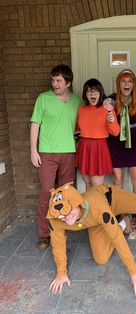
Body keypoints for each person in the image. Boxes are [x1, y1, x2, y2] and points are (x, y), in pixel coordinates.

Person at [46, 182, 136, 296]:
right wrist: (61, 273)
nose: (66, 217)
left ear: (78, 203)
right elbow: (57, 244)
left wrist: (134, 272)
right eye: (61, 215)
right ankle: (124, 221)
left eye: (69, 211)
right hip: (96, 222)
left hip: (112, 199)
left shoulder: (97, 208)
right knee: (101, 259)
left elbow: (116, 238)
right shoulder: (56, 220)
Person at [30, 64, 83, 250]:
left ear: (68, 83)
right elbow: (35, 124)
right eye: (53, 80)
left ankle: (62, 229)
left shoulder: (78, 102)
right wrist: (33, 150)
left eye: (59, 80)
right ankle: (44, 234)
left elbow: (83, 124)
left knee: (67, 193)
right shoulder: (43, 99)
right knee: (47, 192)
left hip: (69, 152)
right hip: (47, 153)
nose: (54, 83)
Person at [107, 69, 136, 232]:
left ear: (134, 84)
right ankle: (122, 217)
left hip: (133, 143)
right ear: (118, 83)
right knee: (118, 181)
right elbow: (103, 109)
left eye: (130, 81)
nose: (126, 84)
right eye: (123, 81)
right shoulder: (112, 99)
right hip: (115, 143)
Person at [75, 78, 120, 191]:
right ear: (85, 94)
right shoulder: (81, 109)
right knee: (88, 184)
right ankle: (89, 209)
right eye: (89, 91)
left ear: (101, 93)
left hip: (98, 148)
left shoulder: (107, 109)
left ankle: (98, 209)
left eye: (95, 91)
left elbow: (115, 132)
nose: (92, 94)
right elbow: (78, 128)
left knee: (97, 188)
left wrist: (111, 120)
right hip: (84, 147)